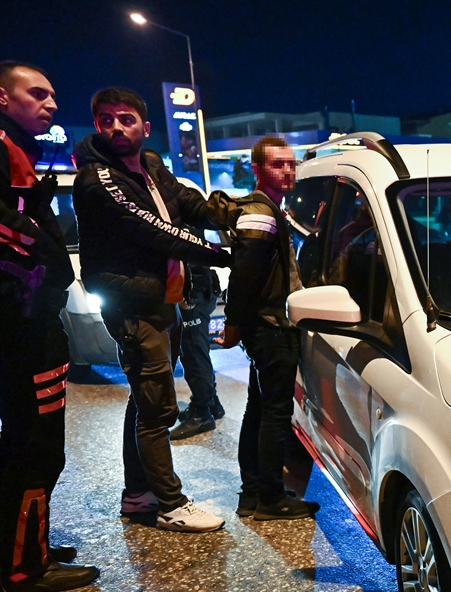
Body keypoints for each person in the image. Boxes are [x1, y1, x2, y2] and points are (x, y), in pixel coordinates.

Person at [73, 87, 238, 533]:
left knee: (144, 401)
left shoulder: (149, 166)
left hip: (160, 300)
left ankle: (138, 494)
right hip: (134, 303)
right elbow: (155, 231)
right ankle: (169, 503)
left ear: (146, 128)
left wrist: (236, 216)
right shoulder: (97, 178)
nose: (115, 127)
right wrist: (223, 255)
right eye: (105, 119)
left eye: (125, 119)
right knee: (158, 408)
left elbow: (188, 204)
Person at [0, 61, 100, 592]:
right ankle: (22, 568)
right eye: (37, 93)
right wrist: (38, 254)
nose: (52, 103)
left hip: (29, 321)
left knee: (25, 443)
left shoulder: (23, 150)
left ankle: (23, 548)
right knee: (36, 447)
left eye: (53, 94)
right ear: (2, 97)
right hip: (23, 327)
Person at [219, 136, 317, 521]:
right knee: (274, 414)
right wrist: (233, 323)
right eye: (278, 164)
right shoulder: (261, 211)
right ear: (258, 170)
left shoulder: (273, 208)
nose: (288, 171)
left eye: (291, 164)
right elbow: (244, 273)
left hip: (265, 326)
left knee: (257, 410)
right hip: (272, 327)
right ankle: (272, 499)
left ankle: (253, 493)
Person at [170, 262, 226, 440]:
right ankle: (211, 404)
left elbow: (194, 260)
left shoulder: (183, 232)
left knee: (194, 354)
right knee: (197, 351)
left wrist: (189, 298)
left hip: (191, 293)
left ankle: (201, 414)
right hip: (194, 291)